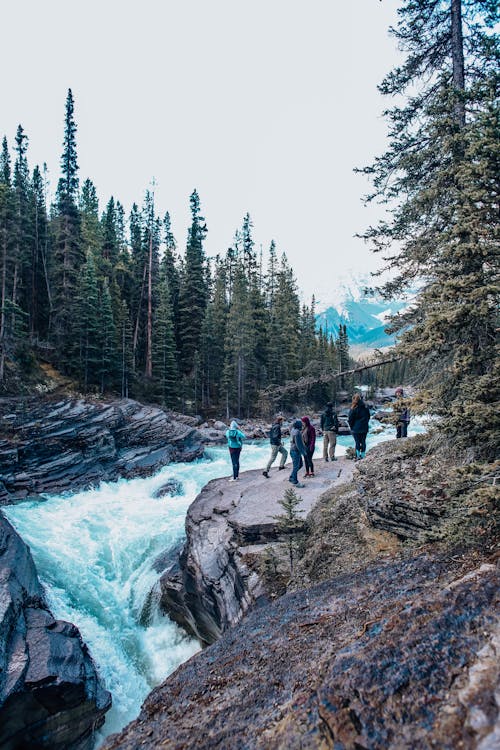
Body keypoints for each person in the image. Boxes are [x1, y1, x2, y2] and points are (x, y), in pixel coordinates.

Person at [348, 392, 370, 460]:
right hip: (364, 427)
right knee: (363, 441)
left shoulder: (353, 408)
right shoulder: (365, 407)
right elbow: (368, 417)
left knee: (357, 442)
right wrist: (365, 423)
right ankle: (363, 455)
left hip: (356, 428)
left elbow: (350, 419)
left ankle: (358, 456)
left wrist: (351, 427)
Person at [289, 419, 308, 487]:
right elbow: (298, 444)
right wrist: (304, 453)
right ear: (299, 425)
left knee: (299, 465)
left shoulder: (293, 430)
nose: (302, 425)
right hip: (295, 451)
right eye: (301, 424)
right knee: (296, 466)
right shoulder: (297, 432)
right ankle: (295, 482)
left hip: (293, 450)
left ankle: (292, 477)